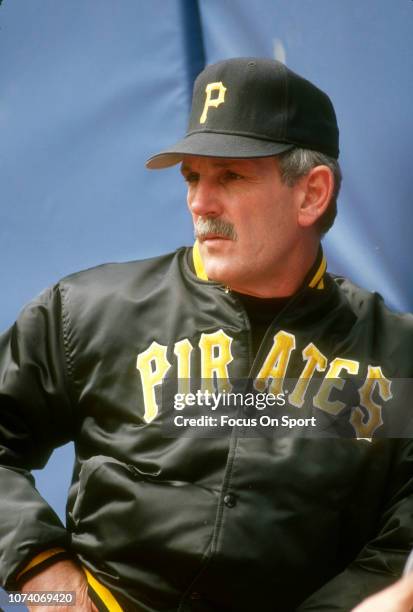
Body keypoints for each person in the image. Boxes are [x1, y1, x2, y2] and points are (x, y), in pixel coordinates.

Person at [1, 57, 413, 612]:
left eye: (231, 176)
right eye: (192, 176)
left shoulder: (393, 355)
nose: (199, 202)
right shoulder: (89, 311)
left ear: (312, 193)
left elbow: (399, 542)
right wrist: (48, 584)